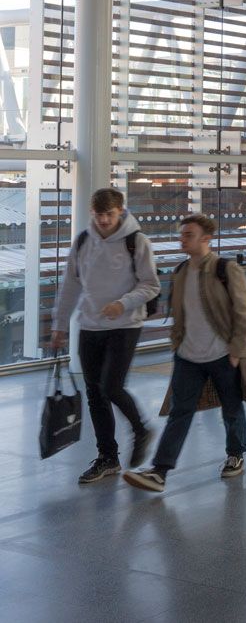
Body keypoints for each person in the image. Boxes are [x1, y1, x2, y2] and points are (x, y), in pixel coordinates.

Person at [124, 215, 246, 493]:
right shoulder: (181, 270)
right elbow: (179, 313)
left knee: (231, 408)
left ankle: (236, 454)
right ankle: (160, 471)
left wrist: (237, 350)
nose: (182, 239)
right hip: (187, 356)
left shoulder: (226, 269)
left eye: (189, 235)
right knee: (179, 412)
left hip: (222, 354)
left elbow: (244, 312)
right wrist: (177, 344)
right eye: (181, 234)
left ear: (206, 239)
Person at [50, 187, 160, 485]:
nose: (104, 220)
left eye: (109, 214)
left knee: (111, 386)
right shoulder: (83, 241)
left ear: (120, 211)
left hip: (125, 325)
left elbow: (151, 285)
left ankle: (141, 429)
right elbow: (70, 285)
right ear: (92, 213)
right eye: (99, 215)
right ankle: (107, 457)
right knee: (95, 394)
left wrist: (122, 303)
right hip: (90, 326)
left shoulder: (136, 241)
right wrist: (60, 325)